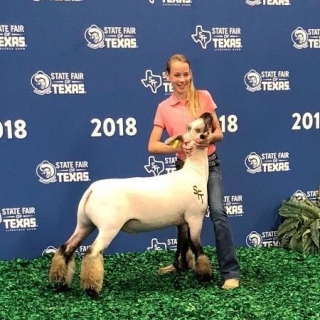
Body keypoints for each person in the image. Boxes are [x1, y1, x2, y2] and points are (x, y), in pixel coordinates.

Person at [148, 53, 240, 289]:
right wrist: (179, 145)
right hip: (184, 168)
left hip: (210, 165)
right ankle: (181, 263)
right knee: (182, 220)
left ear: (191, 74)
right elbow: (153, 145)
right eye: (176, 75)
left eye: (186, 74)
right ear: (167, 77)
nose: (182, 79)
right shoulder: (163, 108)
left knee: (218, 213)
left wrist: (206, 138)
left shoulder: (204, 97)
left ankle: (230, 272)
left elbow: (219, 133)